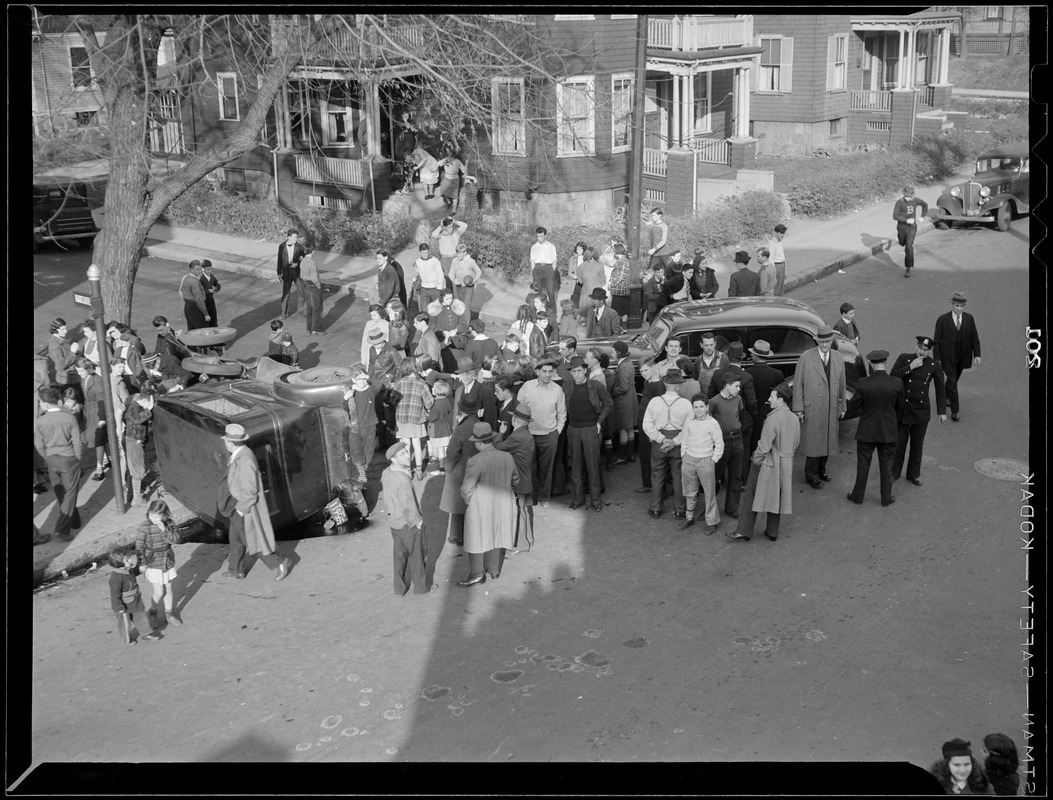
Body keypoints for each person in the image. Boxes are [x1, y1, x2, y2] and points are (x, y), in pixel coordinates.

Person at [726, 381, 800, 542]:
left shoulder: (773, 419)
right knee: (777, 497)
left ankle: (743, 530)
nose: (769, 399)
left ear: (781, 400)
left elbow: (764, 446)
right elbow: (796, 443)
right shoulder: (794, 418)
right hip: (786, 463)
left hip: (769, 462)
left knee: (750, 495)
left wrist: (756, 460)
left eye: (772, 397)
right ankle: (772, 531)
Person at [220, 423, 290, 581]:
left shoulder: (245, 459)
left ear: (229, 442)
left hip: (243, 507)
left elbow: (249, 492)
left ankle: (280, 562)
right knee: (235, 538)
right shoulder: (241, 453)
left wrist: (240, 510)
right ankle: (236, 570)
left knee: (251, 540)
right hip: (237, 504)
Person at [459, 423, 519, 586]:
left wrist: (469, 501)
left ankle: (477, 573)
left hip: (481, 504)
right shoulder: (507, 457)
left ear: (478, 443)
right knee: (497, 534)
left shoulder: (476, 460)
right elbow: (516, 479)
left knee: (476, 537)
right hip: (504, 502)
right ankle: (494, 570)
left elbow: (467, 488)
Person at [845, 351, 904, 507]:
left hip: (867, 431)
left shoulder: (863, 383)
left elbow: (854, 405)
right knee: (886, 466)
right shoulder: (896, 383)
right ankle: (886, 498)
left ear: (871, 364)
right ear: (886, 363)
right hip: (888, 431)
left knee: (863, 465)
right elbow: (901, 407)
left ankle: (857, 496)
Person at [792, 325, 846, 488]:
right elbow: (798, 384)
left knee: (828, 440)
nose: (824, 345)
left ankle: (822, 470)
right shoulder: (806, 357)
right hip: (813, 407)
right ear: (817, 341)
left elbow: (842, 384)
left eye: (827, 341)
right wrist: (798, 408)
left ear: (831, 341)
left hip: (831, 406)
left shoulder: (837, 357)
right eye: (821, 342)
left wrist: (842, 406)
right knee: (814, 442)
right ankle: (811, 475)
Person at [889, 336, 947, 485]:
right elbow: (893, 377)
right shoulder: (904, 358)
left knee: (917, 445)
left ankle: (913, 474)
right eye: (920, 348)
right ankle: (894, 472)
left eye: (925, 350)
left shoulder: (935, 365)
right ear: (916, 346)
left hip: (921, 410)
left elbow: (941, 388)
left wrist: (941, 411)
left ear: (930, 351)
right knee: (899, 443)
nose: (921, 352)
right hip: (903, 408)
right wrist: (910, 367)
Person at [381, 441, 432, 596]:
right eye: (402, 454)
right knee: (417, 556)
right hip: (408, 524)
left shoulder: (386, 473)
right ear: (394, 459)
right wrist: (418, 523)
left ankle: (400, 588)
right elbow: (408, 505)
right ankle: (421, 588)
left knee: (399, 556)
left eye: (406, 451)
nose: (407, 455)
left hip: (394, 523)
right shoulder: (402, 480)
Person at [563, 356, 613, 512]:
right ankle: (578, 499)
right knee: (576, 467)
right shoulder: (566, 386)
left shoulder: (595, 386)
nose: (576, 374)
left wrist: (599, 422)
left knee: (593, 466)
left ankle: (596, 500)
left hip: (590, 429)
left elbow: (608, 403)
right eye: (573, 371)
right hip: (573, 429)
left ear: (585, 370)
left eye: (579, 371)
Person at [35, 386, 84, 541]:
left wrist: (47, 457)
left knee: (61, 492)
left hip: (51, 458)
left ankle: (74, 521)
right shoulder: (68, 417)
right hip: (68, 457)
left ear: (44, 403)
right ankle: (62, 529)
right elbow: (77, 441)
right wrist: (78, 457)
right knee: (71, 493)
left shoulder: (40, 421)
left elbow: (39, 444)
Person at [517, 357, 567, 508]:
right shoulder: (527, 387)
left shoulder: (557, 390)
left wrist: (556, 432)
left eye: (550, 372)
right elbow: (519, 408)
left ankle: (544, 497)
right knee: (529, 468)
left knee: (547, 468)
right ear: (537, 372)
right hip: (529, 434)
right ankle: (531, 498)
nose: (547, 375)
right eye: (544, 371)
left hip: (549, 435)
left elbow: (562, 414)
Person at [642, 368, 693, 520]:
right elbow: (689, 427)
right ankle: (680, 509)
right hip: (678, 442)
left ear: (665, 384)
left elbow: (647, 425)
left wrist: (661, 439)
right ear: (677, 386)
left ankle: (656, 507)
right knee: (678, 475)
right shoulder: (686, 404)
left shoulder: (654, 402)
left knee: (657, 474)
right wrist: (675, 441)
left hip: (659, 442)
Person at [708, 343, 758, 486]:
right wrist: (749, 418)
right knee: (741, 453)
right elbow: (752, 402)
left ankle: (719, 479)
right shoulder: (746, 377)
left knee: (720, 450)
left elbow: (710, 396)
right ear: (741, 359)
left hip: (720, 422)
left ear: (728, 357)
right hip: (742, 423)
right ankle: (741, 481)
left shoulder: (717, 374)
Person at [674, 395, 724, 533]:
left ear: (707, 407)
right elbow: (684, 438)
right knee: (689, 491)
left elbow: (719, 444)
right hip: (689, 460)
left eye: (701, 406)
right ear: (692, 408)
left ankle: (712, 521)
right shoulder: (689, 422)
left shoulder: (712, 423)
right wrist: (684, 455)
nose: (699, 410)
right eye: (695, 407)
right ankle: (689, 518)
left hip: (706, 461)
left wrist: (713, 459)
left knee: (709, 492)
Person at [439, 395, 482, 546]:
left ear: (462, 409)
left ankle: (457, 535)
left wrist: (448, 468)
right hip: (476, 469)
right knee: (471, 505)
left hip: (460, 470)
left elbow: (452, 453)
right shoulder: (480, 424)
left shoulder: (460, 429)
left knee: (457, 507)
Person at [932, 291, 981, 422]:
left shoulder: (969, 318)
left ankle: (947, 396)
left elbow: (974, 337)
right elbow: (936, 341)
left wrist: (977, 355)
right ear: (952, 304)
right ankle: (955, 411)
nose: (959, 309)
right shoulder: (942, 319)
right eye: (956, 306)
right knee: (953, 383)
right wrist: (937, 359)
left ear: (964, 306)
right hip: (947, 358)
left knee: (954, 380)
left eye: (961, 306)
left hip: (962, 357)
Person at [494, 402, 536, 552]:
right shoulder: (526, 434)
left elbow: (498, 447)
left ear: (515, 420)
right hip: (525, 477)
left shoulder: (517, 436)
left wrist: (500, 433)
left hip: (518, 480)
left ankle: (522, 544)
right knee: (523, 509)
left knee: (518, 511)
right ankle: (528, 539)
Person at [135, 499, 183, 626]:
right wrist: (143, 563)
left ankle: (169, 613)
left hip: (167, 561)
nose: (154, 519)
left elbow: (176, 540)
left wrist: (165, 530)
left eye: (157, 516)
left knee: (168, 588)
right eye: (151, 515)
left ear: (164, 515)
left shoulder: (169, 524)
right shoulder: (145, 526)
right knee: (159, 592)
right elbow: (139, 547)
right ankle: (152, 612)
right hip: (153, 561)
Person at [389, 357, 434, 480]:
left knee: (405, 445)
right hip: (416, 418)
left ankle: (408, 470)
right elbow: (429, 403)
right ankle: (419, 472)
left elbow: (392, 401)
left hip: (402, 418)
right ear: (415, 368)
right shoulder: (422, 384)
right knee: (417, 444)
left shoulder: (399, 383)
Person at [708, 374, 745, 519]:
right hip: (721, 441)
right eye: (736, 386)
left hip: (737, 438)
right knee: (714, 475)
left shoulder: (738, 399)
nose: (738, 389)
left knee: (736, 475)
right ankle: (710, 509)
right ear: (727, 386)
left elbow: (739, 415)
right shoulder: (714, 402)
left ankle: (731, 508)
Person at [744, 340, 785, 470]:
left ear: (754, 356)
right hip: (770, 415)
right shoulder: (778, 374)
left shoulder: (747, 373)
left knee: (752, 445)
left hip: (752, 416)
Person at [108, 546, 161, 644]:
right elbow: (115, 594)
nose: (130, 561)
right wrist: (118, 607)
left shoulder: (127, 569)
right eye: (127, 560)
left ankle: (146, 634)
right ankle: (126, 640)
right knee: (125, 623)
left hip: (135, 601)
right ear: (119, 563)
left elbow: (134, 572)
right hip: (124, 604)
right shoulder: (116, 578)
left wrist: (144, 563)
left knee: (141, 617)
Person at [343, 364, 382, 485]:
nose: (363, 381)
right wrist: (345, 399)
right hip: (356, 428)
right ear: (354, 380)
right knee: (356, 452)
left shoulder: (371, 390)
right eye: (359, 379)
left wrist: (367, 374)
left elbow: (379, 384)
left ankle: (361, 474)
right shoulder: (351, 392)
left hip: (370, 425)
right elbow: (345, 409)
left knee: (368, 452)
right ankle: (363, 476)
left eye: (364, 378)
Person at [74, 358, 109, 480]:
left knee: (97, 440)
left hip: (97, 413)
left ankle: (100, 468)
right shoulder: (84, 378)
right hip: (89, 411)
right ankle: (104, 459)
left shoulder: (97, 381)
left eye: (81, 371)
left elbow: (102, 401)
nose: (79, 374)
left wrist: (102, 418)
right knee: (95, 439)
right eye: (78, 371)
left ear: (88, 369)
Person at [123, 387, 157, 506]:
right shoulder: (134, 408)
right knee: (138, 470)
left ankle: (135, 496)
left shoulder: (134, 404)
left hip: (133, 440)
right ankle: (137, 499)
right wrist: (149, 409)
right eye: (149, 402)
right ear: (144, 401)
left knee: (136, 470)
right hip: (133, 442)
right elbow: (134, 419)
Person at [609, 340, 638, 465]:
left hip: (623, 401)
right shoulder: (628, 363)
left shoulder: (623, 367)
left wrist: (613, 392)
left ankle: (622, 456)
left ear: (619, 353)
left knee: (623, 428)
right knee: (630, 428)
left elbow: (623, 387)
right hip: (631, 399)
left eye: (613, 351)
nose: (611, 353)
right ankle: (630, 454)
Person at [893, 185, 928, 277]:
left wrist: (922, 216)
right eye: (905, 196)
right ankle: (902, 242)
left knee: (909, 246)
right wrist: (906, 220)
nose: (907, 198)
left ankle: (908, 267)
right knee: (902, 243)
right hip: (901, 227)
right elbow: (895, 216)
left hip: (912, 227)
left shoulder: (916, 200)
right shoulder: (899, 203)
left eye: (908, 197)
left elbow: (925, 205)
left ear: (912, 196)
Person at [426, 378, 454, 474]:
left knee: (440, 450)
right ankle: (447, 466)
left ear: (437, 390)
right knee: (446, 449)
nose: (432, 389)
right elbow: (449, 410)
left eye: (433, 387)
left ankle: (442, 469)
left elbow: (432, 418)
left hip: (437, 430)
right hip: (446, 428)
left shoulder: (435, 403)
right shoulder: (447, 401)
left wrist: (427, 415)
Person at [529, 226, 559, 312]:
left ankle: (553, 311)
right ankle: (538, 311)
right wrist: (534, 270)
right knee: (537, 291)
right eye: (538, 236)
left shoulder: (551, 246)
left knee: (551, 291)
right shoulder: (534, 247)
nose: (540, 238)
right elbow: (532, 260)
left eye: (541, 236)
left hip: (548, 268)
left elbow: (554, 259)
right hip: (538, 268)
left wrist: (552, 270)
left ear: (545, 235)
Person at [575, 246, 606, 323]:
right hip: (597, 290)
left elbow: (580, 281)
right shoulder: (600, 265)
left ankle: (585, 322)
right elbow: (603, 280)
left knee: (585, 312)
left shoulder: (580, 266)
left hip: (586, 290)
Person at [299, 245, 325, 336]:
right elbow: (314, 277)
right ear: (313, 252)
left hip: (306, 285)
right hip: (313, 286)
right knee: (317, 308)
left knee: (309, 307)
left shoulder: (303, 261)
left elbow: (302, 275)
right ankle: (316, 329)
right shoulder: (311, 262)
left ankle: (309, 328)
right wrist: (319, 286)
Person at [694, 331, 730, 399]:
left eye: (711, 345)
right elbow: (695, 381)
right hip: (704, 399)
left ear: (715, 344)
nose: (709, 348)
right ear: (701, 345)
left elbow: (729, 379)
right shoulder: (698, 361)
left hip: (719, 398)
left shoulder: (723, 358)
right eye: (706, 345)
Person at [47, 318, 81, 388]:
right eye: (62, 329)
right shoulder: (54, 345)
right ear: (56, 330)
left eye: (65, 329)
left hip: (72, 378)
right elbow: (61, 365)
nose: (65, 331)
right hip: (66, 381)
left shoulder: (61, 339)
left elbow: (66, 354)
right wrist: (73, 352)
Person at [178, 261, 211, 329]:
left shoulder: (185, 278)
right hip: (195, 308)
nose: (200, 271)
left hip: (187, 306)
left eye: (200, 269)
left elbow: (181, 290)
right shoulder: (195, 282)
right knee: (203, 329)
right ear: (191, 270)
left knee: (192, 329)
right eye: (197, 269)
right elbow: (199, 300)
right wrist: (206, 314)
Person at [414, 243, 446, 309]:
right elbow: (420, 273)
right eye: (423, 253)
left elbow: (440, 274)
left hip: (435, 288)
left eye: (426, 252)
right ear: (420, 252)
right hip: (424, 289)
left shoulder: (435, 261)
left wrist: (439, 287)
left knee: (435, 309)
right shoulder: (418, 261)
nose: (425, 255)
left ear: (429, 251)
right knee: (424, 309)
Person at [607, 244, 632, 326]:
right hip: (619, 290)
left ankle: (621, 327)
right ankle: (620, 327)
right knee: (620, 310)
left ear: (616, 252)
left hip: (620, 290)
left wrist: (612, 284)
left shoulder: (623, 261)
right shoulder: (622, 260)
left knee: (620, 311)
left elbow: (621, 276)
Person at [450, 244, 482, 309]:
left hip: (468, 286)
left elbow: (479, 272)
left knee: (466, 305)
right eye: (457, 254)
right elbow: (451, 273)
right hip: (458, 286)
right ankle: (460, 319)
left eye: (459, 254)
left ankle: (466, 319)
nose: (458, 256)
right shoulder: (454, 261)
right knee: (459, 305)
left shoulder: (471, 261)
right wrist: (454, 280)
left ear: (465, 253)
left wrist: (474, 280)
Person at [567, 241, 588, 314]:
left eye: (580, 250)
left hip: (584, 283)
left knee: (584, 302)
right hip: (575, 283)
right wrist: (573, 275)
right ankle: (574, 317)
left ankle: (583, 318)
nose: (578, 251)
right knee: (574, 302)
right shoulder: (573, 259)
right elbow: (569, 272)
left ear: (584, 250)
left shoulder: (587, 259)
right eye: (577, 249)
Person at [200, 259, 222, 326]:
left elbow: (218, 284)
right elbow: (199, 290)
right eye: (208, 269)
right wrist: (208, 291)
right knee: (206, 318)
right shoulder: (201, 278)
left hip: (210, 299)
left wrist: (216, 289)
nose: (210, 271)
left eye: (211, 269)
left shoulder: (212, 277)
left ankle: (214, 328)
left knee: (213, 316)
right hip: (204, 300)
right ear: (203, 269)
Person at [768, 224, 788, 296]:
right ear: (776, 233)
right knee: (777, 286)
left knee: (781, 286)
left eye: (783, 233)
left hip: (782, 265)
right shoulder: (772, 243)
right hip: (777, 266)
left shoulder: (780, 242)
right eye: (781, 233)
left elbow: (782, 255)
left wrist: (785, 267)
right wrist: (774, 272)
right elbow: (771, 258)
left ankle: (780, 300)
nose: (782, 235)